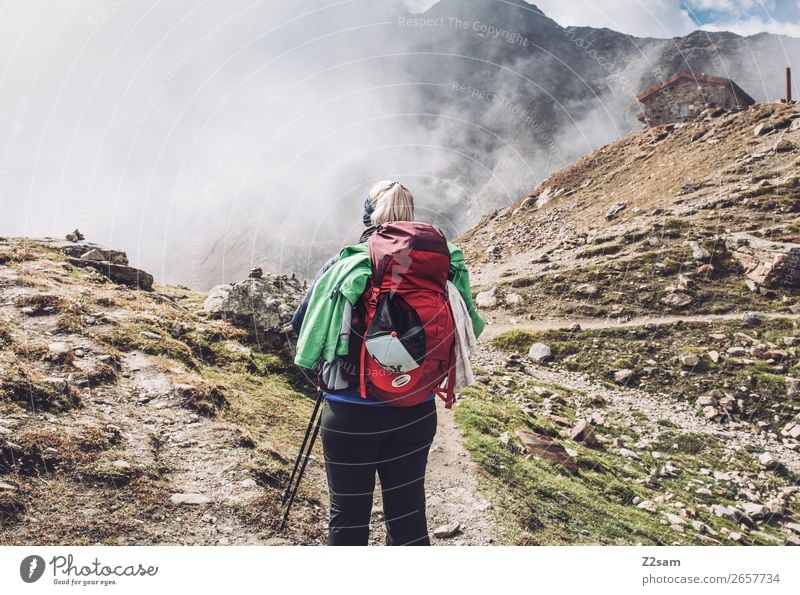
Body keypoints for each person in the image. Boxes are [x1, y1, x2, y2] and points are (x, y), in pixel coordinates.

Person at [292, 180, 483, 546]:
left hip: (351, 411)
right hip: (416, 409)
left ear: (369, 214)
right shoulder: (444, 264)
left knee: (348, 519)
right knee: (408, 516)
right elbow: (471, 326)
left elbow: (303, 325)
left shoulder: (348, 262)